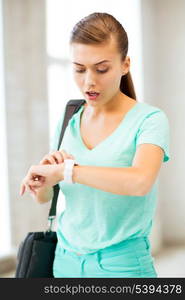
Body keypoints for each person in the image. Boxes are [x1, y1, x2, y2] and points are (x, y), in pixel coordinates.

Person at [20, 12, 170, 278]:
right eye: (79, 69)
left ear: (125, 65)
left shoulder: (149, 120)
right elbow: (48, 197)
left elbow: (140, 181)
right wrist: (42, 184)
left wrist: (68, 171)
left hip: (122, 266)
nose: (89, 81)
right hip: (64, 262)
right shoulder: (69, 119)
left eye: (101, 69)